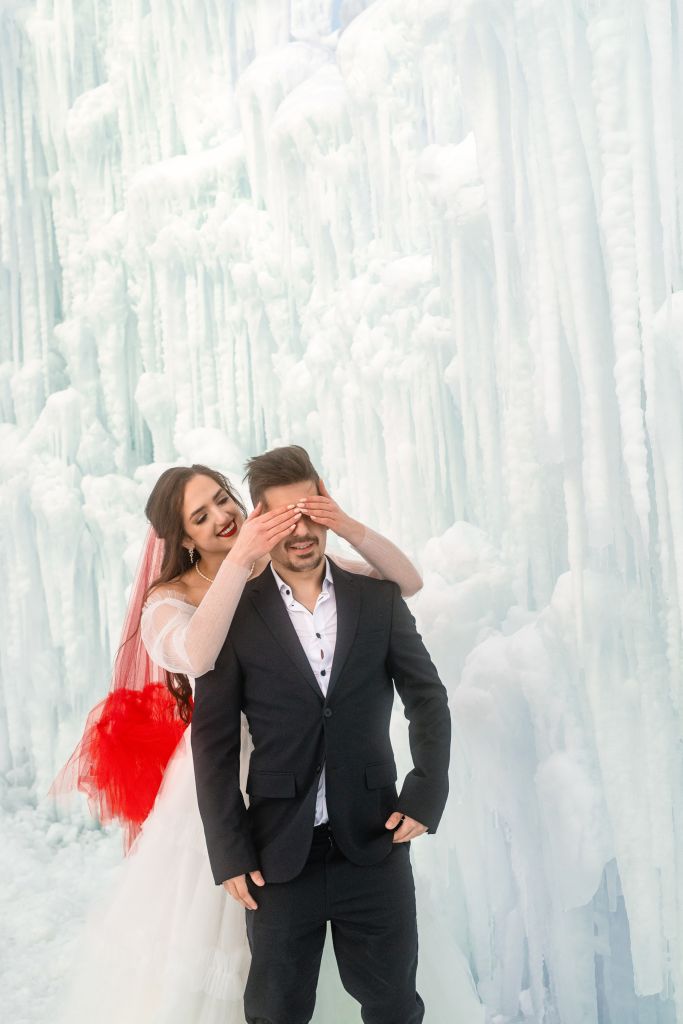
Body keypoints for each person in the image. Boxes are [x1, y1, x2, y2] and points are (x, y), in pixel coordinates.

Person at [58, 458, 425, 1024]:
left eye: (222, 500)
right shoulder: (169, 599)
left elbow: (404, 583)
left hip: (314, 763)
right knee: (242, 939)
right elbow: (199, 654)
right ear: (182, 539)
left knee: (360, 947)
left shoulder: (285, 562)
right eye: (200, 517)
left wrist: (343, 523)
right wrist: (244, 562)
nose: (221, 518)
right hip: (228, 772)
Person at [192, 446, 451, 1024]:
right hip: (276, 857)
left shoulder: (377, 599)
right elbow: (212, 745)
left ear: (325, 506)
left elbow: (427, 698)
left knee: (394, 1006)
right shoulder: (230, 616)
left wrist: (426, 792)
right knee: (275, 1013)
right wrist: (229, 852)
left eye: (309, 512)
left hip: (374, 845)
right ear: (260, 521)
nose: (301, 531)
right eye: (284, 517)